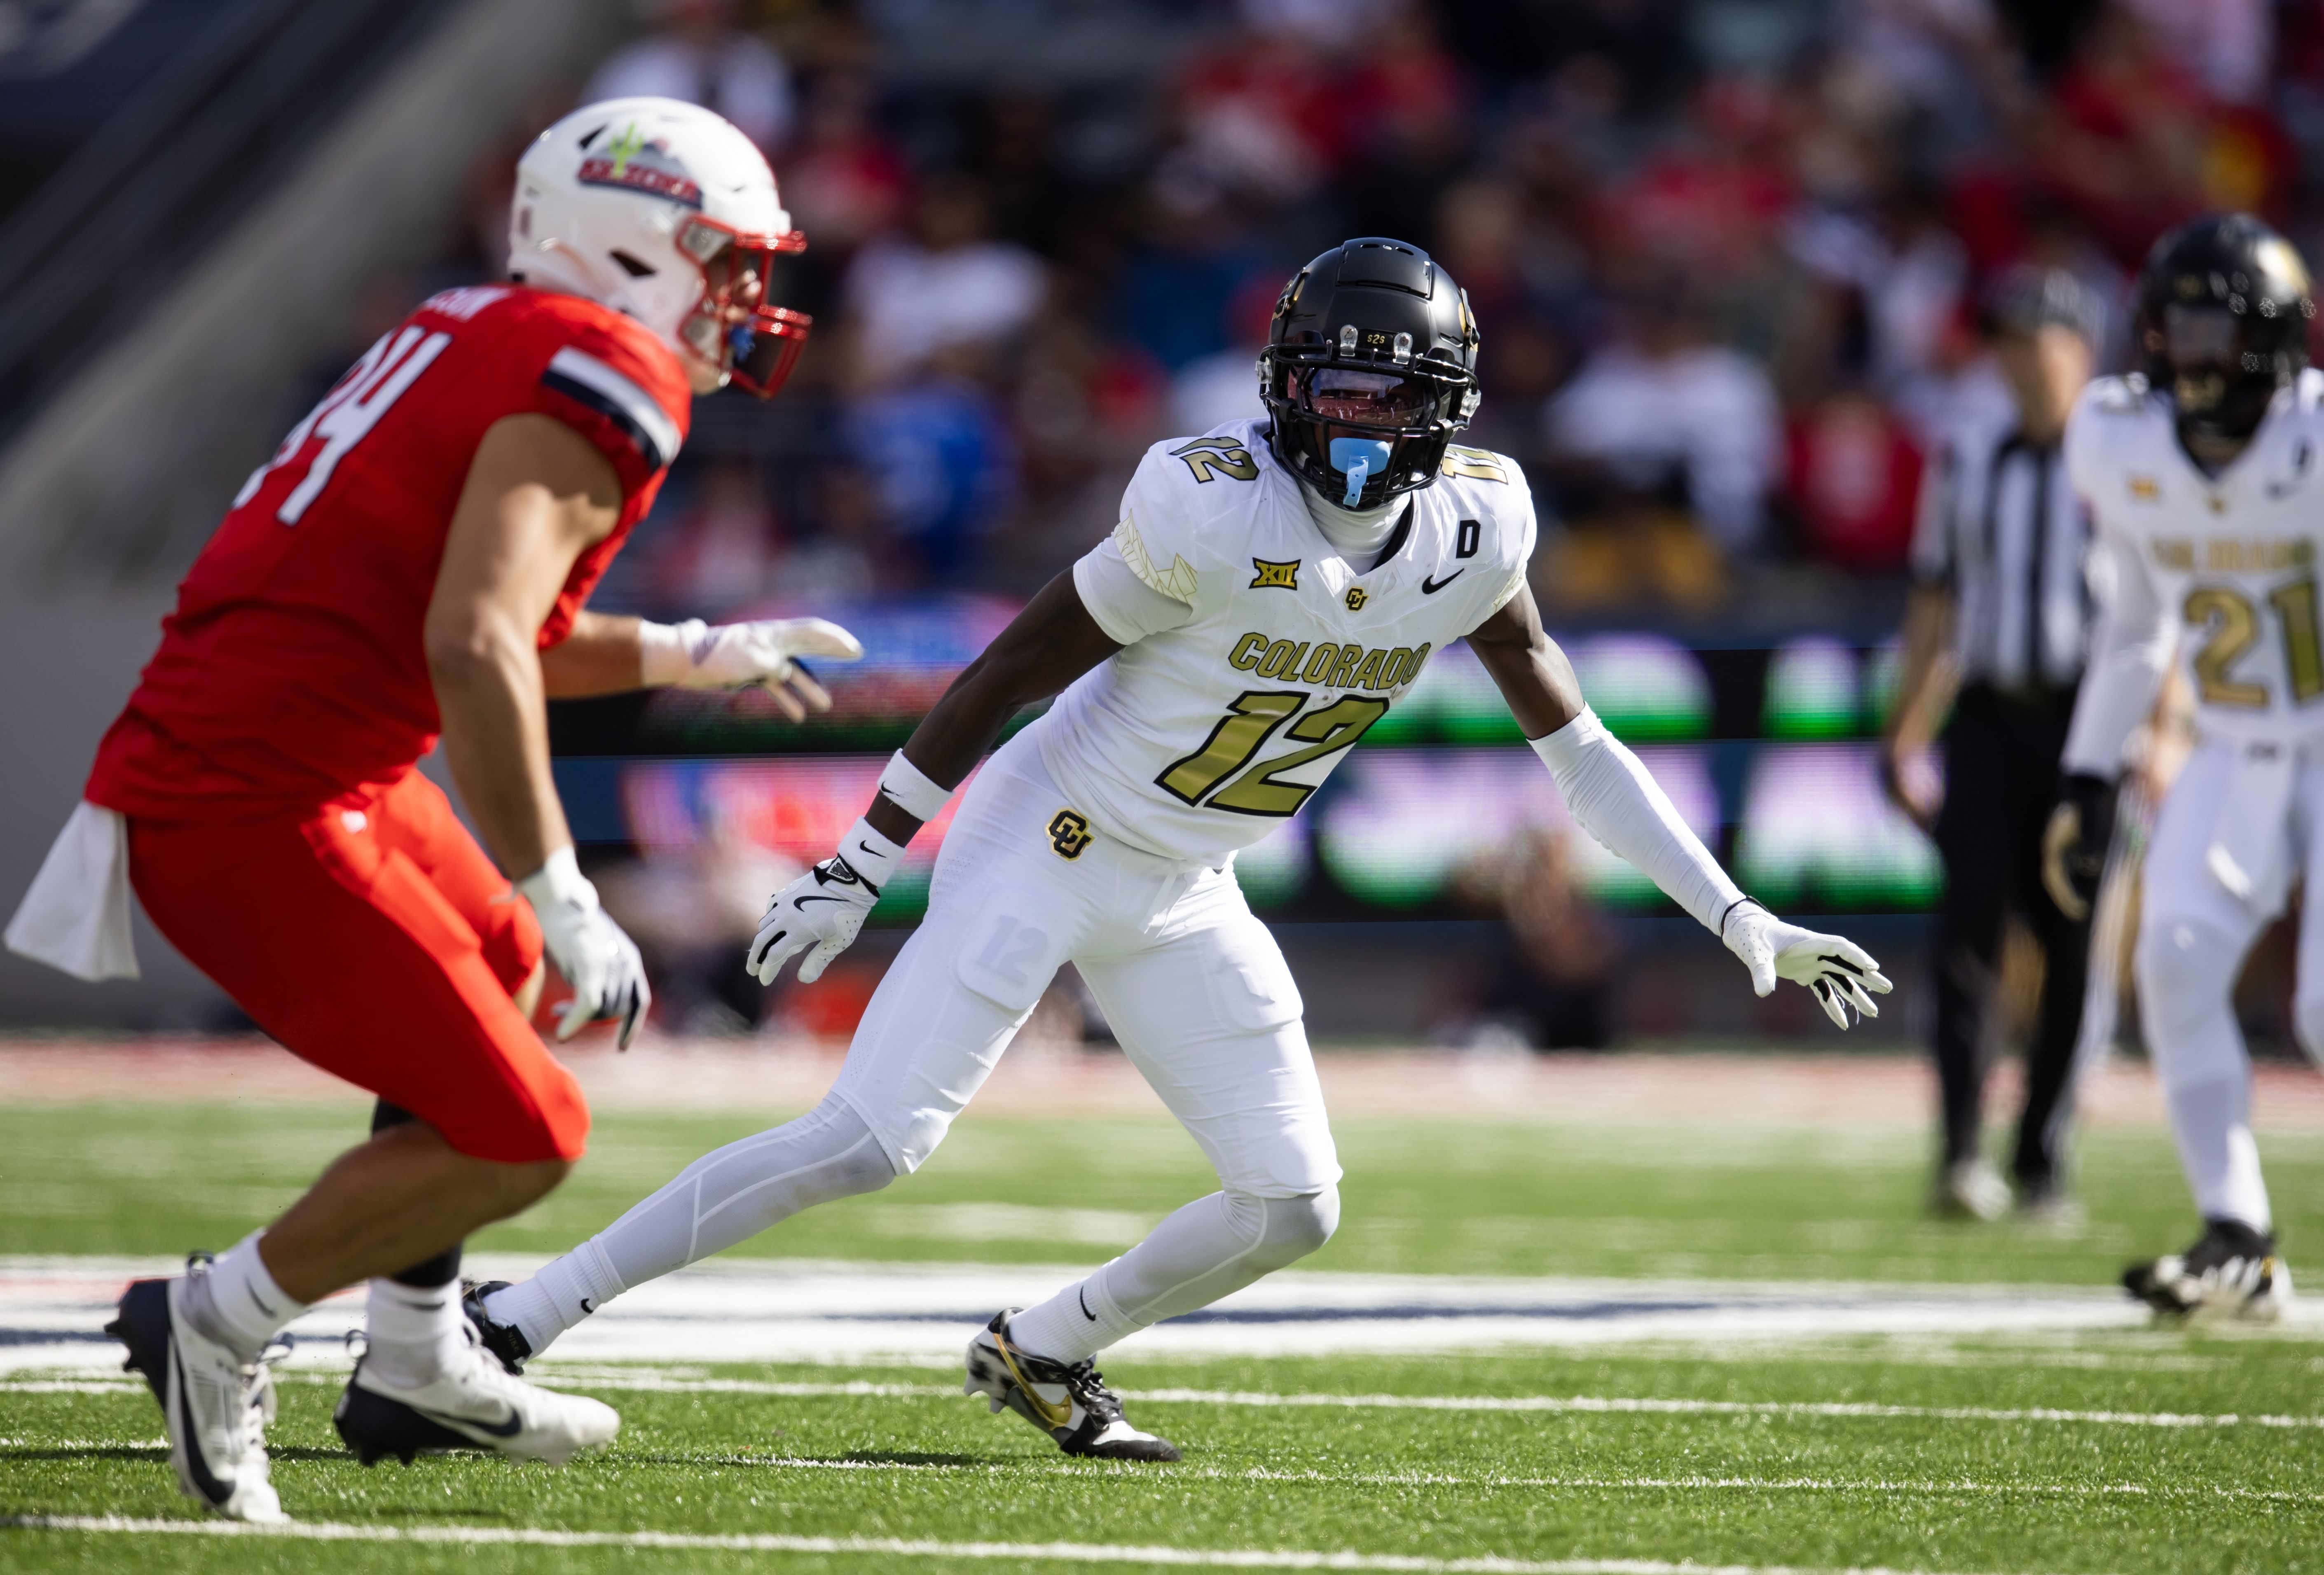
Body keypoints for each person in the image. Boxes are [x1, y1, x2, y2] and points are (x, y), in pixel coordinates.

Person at [471, 237, 1890, 1460]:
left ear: (1436, 411)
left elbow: (1578, 751)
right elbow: (1008, 667)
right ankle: (518, 1313)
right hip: (1055, 830)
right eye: (1320, 381)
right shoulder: (1211, 498)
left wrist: (1737, 917)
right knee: (871, 1140)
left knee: (1293, 1203)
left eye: (1373, 390)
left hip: (1182, 879)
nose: (1338, 415)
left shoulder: (1477, 524)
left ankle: (1045, 1350)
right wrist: (862, 860)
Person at [2, 98, 858, 1521]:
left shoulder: (478, 321)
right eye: (725, 259)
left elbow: (482, 617)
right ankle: (210, 1320)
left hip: (283, 756)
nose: (746, 298)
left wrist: (689, 650)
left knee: (507, 977)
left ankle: (410, 1355)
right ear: (631, 245)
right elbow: (475, 642)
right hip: (252, 794)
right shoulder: (607, 358)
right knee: (528, 1126)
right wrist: (562, 881)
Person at [2044, 213, 2319, 1319]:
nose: (2189, 353)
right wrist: (2084, 772)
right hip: (2236, 737)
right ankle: (2238, 1237)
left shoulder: (2311, 444)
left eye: (2213, 329)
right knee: (2173, 954)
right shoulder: (2122, 442)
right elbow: (2136, 624)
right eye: (2175, 327)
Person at [1881, 265, 2102, 1221]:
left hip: (2089, 725)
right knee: (1964, 939)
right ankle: (1961, 1153)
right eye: (2009, 341)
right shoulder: (1965, 456)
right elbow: (1934, 604)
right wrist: (1905, 734)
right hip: (1984, 716)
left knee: (2073, 944)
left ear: (2081, 350)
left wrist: (2163, 731)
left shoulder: (2126, 460)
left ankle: (2042, 1157)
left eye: (2040, 340)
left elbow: (2162, 612)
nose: (2023, 361)